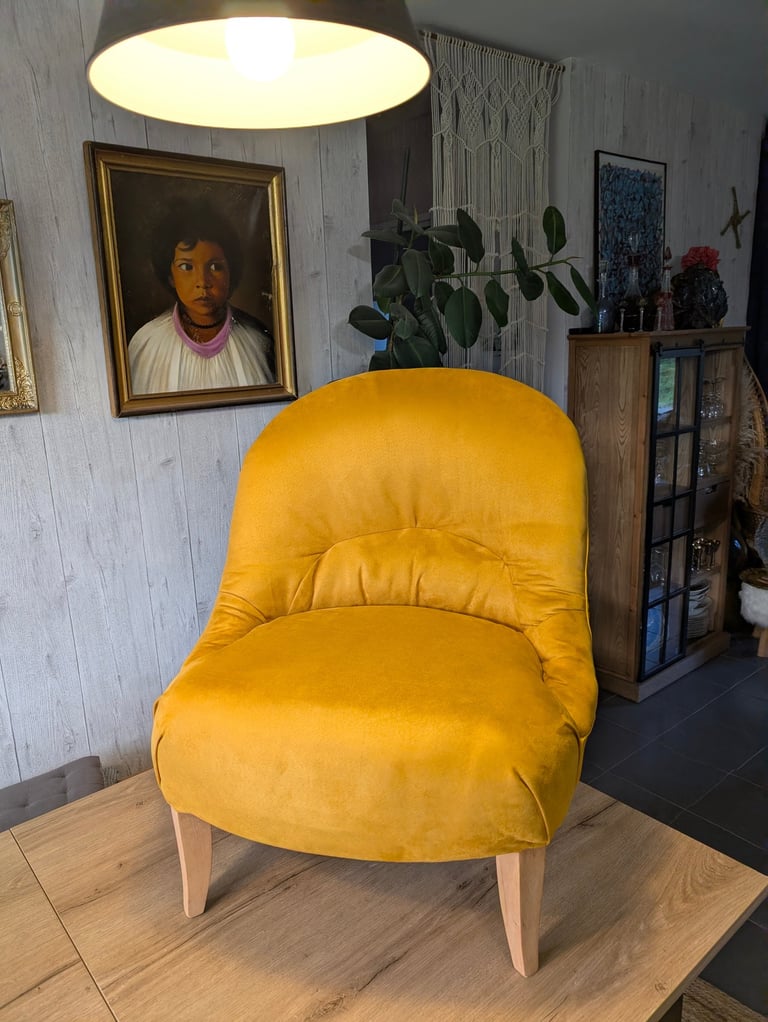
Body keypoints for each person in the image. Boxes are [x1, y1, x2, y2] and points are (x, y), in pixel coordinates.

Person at [128, 200, 275, 394]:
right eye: (186, 267)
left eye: (215, 267)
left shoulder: (257, 341)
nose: (202, 282)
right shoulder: (146, 344)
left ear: (231, 272)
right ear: (170, 275)